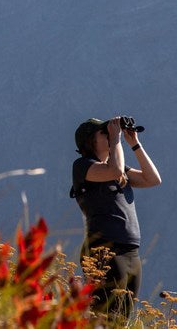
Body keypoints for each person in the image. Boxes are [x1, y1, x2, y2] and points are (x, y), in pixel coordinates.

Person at [70, 116, 162, 321]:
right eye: (104, 133)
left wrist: (134, 144)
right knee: (104, 318)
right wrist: (117, 141)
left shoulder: (120, 170)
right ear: (89, 141)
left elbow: (153, 179)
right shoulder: (83, 166)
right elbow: (114, 170)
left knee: (121, 319)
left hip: (130, 251)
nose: (111, 135)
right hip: (104, 250)